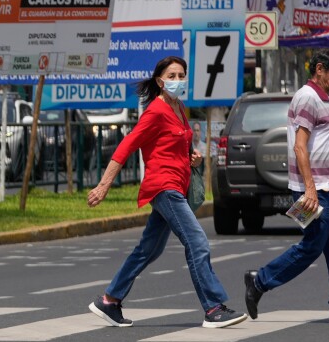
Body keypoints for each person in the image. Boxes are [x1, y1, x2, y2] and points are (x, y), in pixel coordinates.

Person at [87, 56, 247, 329]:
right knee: (197, 242)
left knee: (148, 250)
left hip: (177, 186)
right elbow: (127, 145)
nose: (177, 80)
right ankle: (213, 309)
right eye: (171, 76)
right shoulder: (156, 111)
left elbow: (178, 145)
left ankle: (109, 300)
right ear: (160, 81)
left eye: (181, 75)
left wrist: (192, 158)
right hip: (164, 187)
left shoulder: (179, 108)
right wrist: (104, 185)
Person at [244, 49, 329, 324]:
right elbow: (299, 146)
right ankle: (259, 281)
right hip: (313, 190)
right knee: (311, 246)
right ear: (319, 69)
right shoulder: (307, 98)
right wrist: (309, 189)